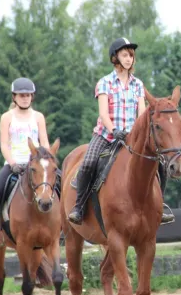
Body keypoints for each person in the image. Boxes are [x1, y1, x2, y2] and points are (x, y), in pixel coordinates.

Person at [67, 37, 175, 225]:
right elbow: (103, 114)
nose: (128, 59)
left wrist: (138, 133)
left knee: (160, 164)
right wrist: (114, 130)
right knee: (88, 163)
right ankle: (79, 206)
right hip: (106, 135)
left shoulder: (138, 84)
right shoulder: (105, 83)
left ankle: (160, 205)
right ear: (115, 57)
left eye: (131, 56)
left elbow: (142, 114)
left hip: (132, 138)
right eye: (125, 55)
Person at [0, 78, 51, 256]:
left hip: (36, 164)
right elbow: (4, 144)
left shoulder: (38, 117)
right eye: (21, 95)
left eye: (28, 95)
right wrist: (12, 163)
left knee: (60, 184)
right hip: (14, 163)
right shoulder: (7, 117)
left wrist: (46, 161)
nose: (25, 98)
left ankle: (66, 227)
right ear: (14, 97)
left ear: (32, 97)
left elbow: (44, 142)